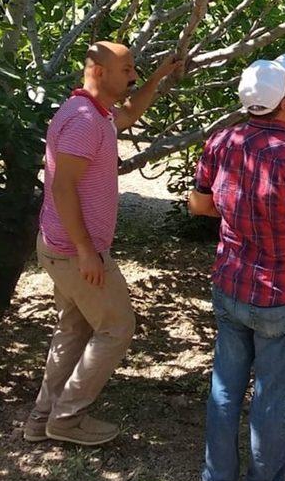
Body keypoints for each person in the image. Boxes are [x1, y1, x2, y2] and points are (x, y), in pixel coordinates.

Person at [23, 42, 181, 446]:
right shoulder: (84, 122)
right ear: (98, 72)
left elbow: (127, 116)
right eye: (127, 69)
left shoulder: (93, 112)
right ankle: (68, 418)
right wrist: (85, 251)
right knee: (116, 327)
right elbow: (62, 186)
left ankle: (42, 418)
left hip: (63, 247)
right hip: (72, 251)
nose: (133, 76)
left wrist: (160, 77)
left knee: (74, 328)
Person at [188, 53, 285, 481]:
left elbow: (199, 204)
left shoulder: (221, 141)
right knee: (271, 397)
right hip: (279, 294)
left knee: (225, 390)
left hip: (231, 283)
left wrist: (240, 216)